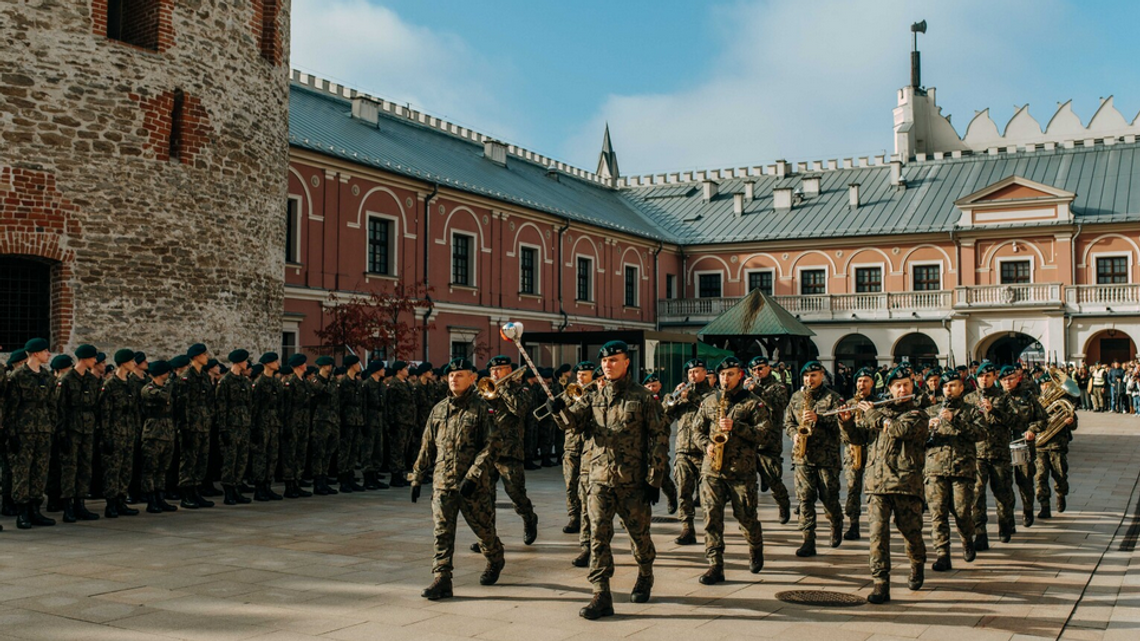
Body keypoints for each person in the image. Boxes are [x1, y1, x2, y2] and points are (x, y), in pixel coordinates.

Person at [547, 340, 669, 620]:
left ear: (627, 362)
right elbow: (572, 424)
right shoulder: (593, 396)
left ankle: (645, 574)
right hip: (599, 479)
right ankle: (601, 594)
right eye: (604, 361)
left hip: (633, 482)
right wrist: (558, 408)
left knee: (639, 537)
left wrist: (655, 478)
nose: (607, 365)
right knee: (598, 538)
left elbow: (659, 438)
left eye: (614, 360)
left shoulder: (642, 398)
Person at [411, 358, 504, 601]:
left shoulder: (483, 407)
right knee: (442, 532)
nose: (454, 379)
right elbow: (427, 445)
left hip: (473, 486)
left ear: (472, 378)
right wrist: (417, 476)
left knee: (484, 531)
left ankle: (495, 557)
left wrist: (474, 475)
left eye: (460, 375)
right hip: (443, 482)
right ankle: (442, 578)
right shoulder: (439, 409)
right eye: (451, 375)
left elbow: (492, 445)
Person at [838, 365, 929, 605]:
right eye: (897, 386)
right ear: (889, 389)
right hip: (876, 484)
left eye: (906, 385)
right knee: (878, 536)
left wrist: (873, 415)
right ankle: (880, 583)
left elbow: (900, 430)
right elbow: (858, 439)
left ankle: (917, 563)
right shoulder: (881, 411)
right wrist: (846, 423)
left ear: (912, 386)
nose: (902, 389)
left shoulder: (917, 414)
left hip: (905, 484)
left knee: (911, 533)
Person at [694, 356, 770, 584]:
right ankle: (715, 565)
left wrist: (736, 427)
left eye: (731, 374)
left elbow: (764, 434)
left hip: (741, 471)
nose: (726, 379)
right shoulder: (709, 401)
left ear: (740, 376)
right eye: (722, 375)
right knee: (711, 518)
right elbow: (696, 431)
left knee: (746, 517)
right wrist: (705, 445)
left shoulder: (753, 402)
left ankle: (755, 547)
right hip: (712, 470)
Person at [923, 370, 984, 571]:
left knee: (962, 512)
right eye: (946, 386)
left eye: (953, 386)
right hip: (935, 469)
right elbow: (917, 439)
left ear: (961, 388)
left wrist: (954, 420)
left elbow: (981, 433)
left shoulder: (971, 411)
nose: (949, 389)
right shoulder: (931, 411)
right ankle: (942, 554)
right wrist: (925, 429)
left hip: (962, 469)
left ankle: (967, 539)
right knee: (937, 514)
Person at [785, 361, 846, 557]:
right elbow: (788, 422)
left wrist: (819, 419)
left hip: (827, 458)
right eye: (806, 376)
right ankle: (808, 539)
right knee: (805, 499)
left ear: (822, 375)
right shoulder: (796, 397)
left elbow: (841, 428)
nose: (809, 380)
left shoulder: (834, 398)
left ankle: (836, 522)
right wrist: (794, 433)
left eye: (813, 375)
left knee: (829, 498)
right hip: (803, 458)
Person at [481, 356, 538, 545]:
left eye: (500, 369)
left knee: (516, 493)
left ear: (510, 370)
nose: (495, 373)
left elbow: (519, 409)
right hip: (487, 451)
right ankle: (488, 538)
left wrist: (504, 387)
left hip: (509, 451)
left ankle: (529, 517)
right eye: (492, 370)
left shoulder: (522, 390)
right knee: (486, 498)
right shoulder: (485, 390)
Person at [5, 338, 57, 529]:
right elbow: (11, 407)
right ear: (35, 353)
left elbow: (52, 405)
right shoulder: (18, 376)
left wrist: (52, 427)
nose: (48, 354)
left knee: (40, 469)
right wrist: (11, 434)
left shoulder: (47, 376)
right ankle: (22, 512)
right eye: (45, 351)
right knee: (22, 470)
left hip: (43, 429)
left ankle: (36, 509)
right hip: (23, 430)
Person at [966, 361, 1018, 550]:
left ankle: (1005, 525)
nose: (984, 380)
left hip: (999, 453)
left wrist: (994, 410)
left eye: (988, 376)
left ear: (994, 377)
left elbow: (1015, 420)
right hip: (977, 455)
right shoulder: (970, 398)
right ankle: (980, 533)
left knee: (1003, 494)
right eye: (981, 376)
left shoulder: (1004, 398)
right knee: (976, 496)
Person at [666, 358, 714, 545]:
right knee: (684, 491)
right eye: (690, 372)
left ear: (705, 373)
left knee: (707, 494)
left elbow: (708, 409)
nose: (693, 375)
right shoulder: (682, 395)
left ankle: (711, 529)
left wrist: (691, 397)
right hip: (683, 450)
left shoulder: (713, 394)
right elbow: (665, 416)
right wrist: (675, 399)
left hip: (704, 451)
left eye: (697, 371)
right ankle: (687, 528)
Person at [53, 344, 101, 522]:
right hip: (71, 429)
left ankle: (80, 503)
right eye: (93, 357)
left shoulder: (91, 380)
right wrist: (62, 433)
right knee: (69, 467)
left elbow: (95, 405)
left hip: (87, 429)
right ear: (84, 358)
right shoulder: (66, 379)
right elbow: (60, 408)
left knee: (85, 467)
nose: (95, 361)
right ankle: (67, 505)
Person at [747, 356, 792, 524]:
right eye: (755, 370)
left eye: (761, 368)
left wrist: (757, 391)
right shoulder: (749, 387)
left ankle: (783, 503)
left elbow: (779, 405)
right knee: (748, 483)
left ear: (768, 368)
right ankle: (749, 517)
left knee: (773, 478)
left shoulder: (778, 387)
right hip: (750, 439)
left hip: (769, 440)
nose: (758, 372)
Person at [100, 348, 142, 519]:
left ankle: (121, 500)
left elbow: (136, 411)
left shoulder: (131, 384)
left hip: (129, 433)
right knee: (113, 470)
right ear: (124, 363)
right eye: (132, 361)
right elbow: (105, 413)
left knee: (126, 469)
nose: (134, 364)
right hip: (115, 433)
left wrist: (137, 431)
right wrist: (106, 437)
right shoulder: (110, 385)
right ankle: (110, 503)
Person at [561, 361, 596, 534]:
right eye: (579, 375)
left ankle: (588, 518)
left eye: (585, 374)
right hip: (572, 445)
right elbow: (563, 419)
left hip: (590, 447)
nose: (581, 378)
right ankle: (574, 517)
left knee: (586, 487)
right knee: (570, 484)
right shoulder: (569, 392)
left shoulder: (597, 393)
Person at [1035, 372, 1077, 518]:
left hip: (1057, 445)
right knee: (1040, 476)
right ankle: (1044, 505)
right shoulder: (1035, 402)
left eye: (1048, 384)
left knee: (1060, 474)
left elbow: (1074, 424)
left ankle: (1061, 494)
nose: (1045, 387)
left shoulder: (1063, 402)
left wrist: (1070, 422)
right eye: (1043, 385)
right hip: (1040, 446)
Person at [842, 367, 877, 540]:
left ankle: (875, 522)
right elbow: (842, 433)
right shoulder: (849, 404)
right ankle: (853, 523)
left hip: (872, 451)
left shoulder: (878, 403)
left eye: (865, 381)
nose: (861, 384)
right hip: (853, 452)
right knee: (852, 488)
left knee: (873, 490)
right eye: (859, 381)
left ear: (872, 383)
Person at [139, 360, 179, 513]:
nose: (169, 374)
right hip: (153, 434)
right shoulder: (148, 389)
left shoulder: (166, 387)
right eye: (166, 372)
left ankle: (160, 497)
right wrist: (171, 383)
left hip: (167, 433)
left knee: (163, 469)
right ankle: (151, 499)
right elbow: (164, 397)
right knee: (150, 469)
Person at [179, 343, 215, 509]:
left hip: (204, 424)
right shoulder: (187, 377)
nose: (206, 357)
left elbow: (209, 401)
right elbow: (183, 404)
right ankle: (186, 494)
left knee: (201, 460)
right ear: (196, 357)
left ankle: (196, 491)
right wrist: (184, 427)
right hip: (192, 425)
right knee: (189, 460)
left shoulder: (205, 377)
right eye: (204, 354)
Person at [216, 350, 254, 505]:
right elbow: (221, 406)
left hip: (244, 425)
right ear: (238, 362)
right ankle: (228, 490)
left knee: (242, 459)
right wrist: (223, 429)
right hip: (231, 426)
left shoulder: (245, 381)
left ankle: (237, 487)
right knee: (230, 460)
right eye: (245, 361)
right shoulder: (225, 382)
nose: (247, 364)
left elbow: (249, 404)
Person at [280, 353, 313, 499]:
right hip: (293, 422)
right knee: (290, 455)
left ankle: (297, 483)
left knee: (301, 454)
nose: (306, 365)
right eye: (304, 363)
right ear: (299, 365)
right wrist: (286, 425)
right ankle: (289, 485)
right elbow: (286, 406)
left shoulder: (304, 382)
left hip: (304, 423)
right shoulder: (290, 383)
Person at [308, 356, 340, 496]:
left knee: (328, 452)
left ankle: (324, 479)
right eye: (329, 365)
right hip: (320, 421)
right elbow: (328, 392)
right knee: (319, 453)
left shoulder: (329, 381)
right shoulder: (316, 381)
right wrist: (333, 380)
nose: (331, 367)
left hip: (332, 420)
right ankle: (318, 482)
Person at [337, 355, 366, 493]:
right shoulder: (343, 383)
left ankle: (350, 477)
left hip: (357, 420)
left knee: (354, 451)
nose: (359, 365)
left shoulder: (358, 382)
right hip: (347, 421)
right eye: (357, 363)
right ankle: (343, 479)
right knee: (345, 451)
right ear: (351, 365)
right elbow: (340, 404)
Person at [385, 361, 414, 488]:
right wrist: (391, 422)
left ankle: (400, 474)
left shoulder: (407, 383)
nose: (407, 370)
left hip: (407, 421)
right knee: (397, 449)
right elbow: (390, 405)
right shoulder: (394, 384)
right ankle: (395, 476)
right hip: (398, 421)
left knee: (404, 449)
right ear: (399, 371)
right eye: (405, 368)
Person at [360, 361, 389, 490]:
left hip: (379, 419)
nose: (384, 371)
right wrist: (364, 422)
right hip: (370, 419)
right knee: (368, 450)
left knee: (378, 450)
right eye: (382, 368)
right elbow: (364, 405)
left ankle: (375, 476)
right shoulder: (366, 385)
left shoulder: (382, 386)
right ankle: (368, 478)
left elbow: (385, 406)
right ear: (376, 370)